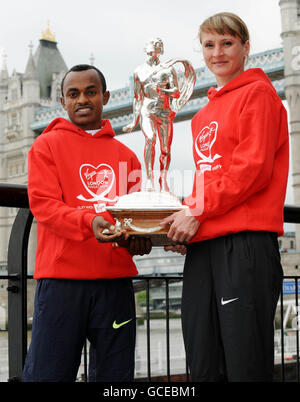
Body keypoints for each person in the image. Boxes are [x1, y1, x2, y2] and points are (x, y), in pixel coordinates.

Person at [161, 12, 289, 382]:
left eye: (227, 43)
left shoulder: (259, 95)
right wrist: (185, 223)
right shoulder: (201, 116)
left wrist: (197, 210)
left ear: (246, 48)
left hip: (243, 247)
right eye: (209, 44)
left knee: (244, 364)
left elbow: (252, 171)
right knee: (202, 363)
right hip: (205, 251)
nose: (217, 53)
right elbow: (211, 181)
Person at [22, 64, 151, 382]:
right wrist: (89, 221)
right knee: (48, 375)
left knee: (116, 379)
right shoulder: (45, 146)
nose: (82, 99)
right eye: (73, 93)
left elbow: (131, 217)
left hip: (115, 284)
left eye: (91, 92)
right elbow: (45, 206)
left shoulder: (128, 157)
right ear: (63, 101)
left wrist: (139, 240)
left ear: (105, 96)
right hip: (62, 283)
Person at [123, 37, 181, 192]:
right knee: (150, 139)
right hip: (147, 110)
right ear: (147, 51)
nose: (153, 53)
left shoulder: (168, 69)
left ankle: (163, 179)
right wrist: (133, 122)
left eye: (157, 48)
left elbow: (176, 92)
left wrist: (162, 90)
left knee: (165, 149)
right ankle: (149, 179)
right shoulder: (138, 72)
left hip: (164, 111)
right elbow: (137, 98)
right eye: (151, 49)